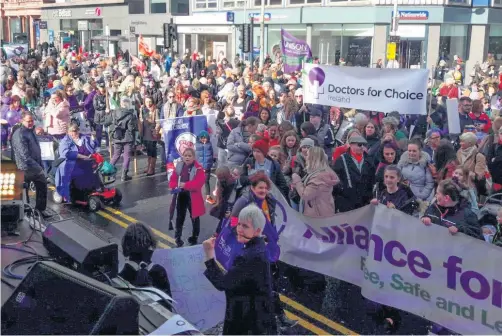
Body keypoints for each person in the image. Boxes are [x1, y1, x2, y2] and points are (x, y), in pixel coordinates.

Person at [202, 204, 277, 335]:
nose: (239, 229)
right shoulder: (258, 247)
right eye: (239, 224)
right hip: (259, 317)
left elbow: (222, 283)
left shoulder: (248, 256)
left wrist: (209, 254)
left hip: (247, 320)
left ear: (258, 231)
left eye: (245, 226)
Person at [11, 111, 49, 216]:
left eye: (32, 120)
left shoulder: (31, 131)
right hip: (24, 168)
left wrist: (40, 164)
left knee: (42, 187)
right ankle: (25, 212)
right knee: (24, 192)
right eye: (28, 121)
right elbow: (24, 156)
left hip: (35, 166)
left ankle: (40, 210)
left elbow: (37, 149)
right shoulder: (19, 134)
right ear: (21, 121)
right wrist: (39, 167)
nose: (31, 123)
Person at [120, 222, 172, 299]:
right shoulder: (159, 271)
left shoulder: (122, 271)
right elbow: (168, 302)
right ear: (150, 244)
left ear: (126, 245)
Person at [168, 148, 206, 247]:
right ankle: (178, 237)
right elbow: (173, 178)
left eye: (190, 156)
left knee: (194, 217)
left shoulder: (198, 168)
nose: (187, 157)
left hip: (193, 196)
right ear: (183, 157)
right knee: (180, 217)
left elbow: (198, 183)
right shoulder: (180, 165)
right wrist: (174, 186)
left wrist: (185, 185)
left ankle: (194, 236)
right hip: (181, 194)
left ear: (194, 157)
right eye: (185, 156)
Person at [55, 123, 99, 202]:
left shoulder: (84, 138)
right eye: (70, 131)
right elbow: (66, 153)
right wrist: (82, 156)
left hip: (87, 161)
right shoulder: (65, 141)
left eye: (74, 131)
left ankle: (93, 190)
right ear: (68, 132)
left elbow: (93, 146)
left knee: (96, 170)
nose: (72, 133)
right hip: (71, 163)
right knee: (79, 173)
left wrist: (93, 138)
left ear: (78, 131)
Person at [292, 146, 339, 217]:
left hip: (317, 214)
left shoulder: (319, 176)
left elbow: (306, 195)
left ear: (313, 158)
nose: (306, 157)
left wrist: (297, 180)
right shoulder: (322, 172)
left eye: (307, 155)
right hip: (322, 210)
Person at [332, 135, 375, 212]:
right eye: (359, 144)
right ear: (351, 144)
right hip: (347, 202)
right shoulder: (341, 160)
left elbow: (372, 180)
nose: (362, 147)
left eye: (364, 145)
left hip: (365, 202)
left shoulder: (369, 160)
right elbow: (335, 181)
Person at [104, 96, 138, 181]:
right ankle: (124, 175)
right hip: (127, 138)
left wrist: (107, 114)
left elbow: (106, 123)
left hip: (117, 137)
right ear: (128, 104)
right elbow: (131, 129)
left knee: (116, 155)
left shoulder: (114, 112)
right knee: (126, 156)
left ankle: (107, 173)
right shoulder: (130, 114)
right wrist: (135, 139)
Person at [195, 130, 214, 204]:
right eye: (202, 138)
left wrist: (209, 165)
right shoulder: (197, 145)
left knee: (206, 181)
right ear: (199, 138)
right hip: (199, 168)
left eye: (205, 138)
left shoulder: (209, 145)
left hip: (207, 168)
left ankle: (208, 197)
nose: (203, 139)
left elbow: (210, 155)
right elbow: (197, 157)